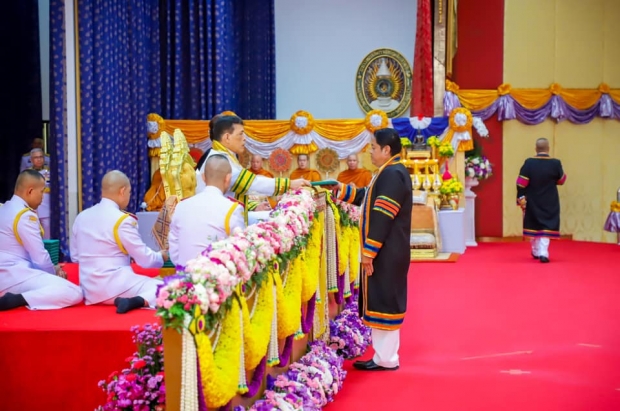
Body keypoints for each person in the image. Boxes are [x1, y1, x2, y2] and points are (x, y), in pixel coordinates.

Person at [334, 128, 412, 371]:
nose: (370, 151)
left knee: (384, 300)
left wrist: (369, 252)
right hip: (388, 249)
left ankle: (387, 358)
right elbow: (368, 198)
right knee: (381, 298)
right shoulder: (390, 171)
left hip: (386, 251)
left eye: (374, 147)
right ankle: (383, 356)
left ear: (386, 149)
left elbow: (382, 216)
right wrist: (341, 189)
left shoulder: (392, 173)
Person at [71, 170, 169, 313]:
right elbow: (145, 260)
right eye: (129, 193)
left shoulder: (81, 217)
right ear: (122, 191)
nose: (129, 196)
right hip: (118, 286)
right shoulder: (122, 220)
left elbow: (75, 257)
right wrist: (162, 256)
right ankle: (136, 301)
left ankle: (132, 301)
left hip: (89, 292)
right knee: (171, 288)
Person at [0, 170, 82, 311]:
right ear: (30, 191)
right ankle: (16, 300)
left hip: (9, 273)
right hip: (14, 275)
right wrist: (54, 275)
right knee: (74, 292)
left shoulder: (5, 208)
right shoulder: (24, 215)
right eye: (42, 191)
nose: (43, 197)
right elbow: (40, 258)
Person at [196, 115, 310, 202]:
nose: (245, 139)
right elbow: (252, 183)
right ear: (227, 137)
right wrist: (289, 184)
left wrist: (255, 206)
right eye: (241, 134)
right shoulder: (218, 159)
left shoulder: (224, 155)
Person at [169, 155, 245, 266]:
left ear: (203, 177)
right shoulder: (232, 208)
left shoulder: (181, 206)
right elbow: (240, 250)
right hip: (218, 278)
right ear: (228, 178)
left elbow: (174, 251)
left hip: (184, 277)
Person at [516, 138, 567, 263]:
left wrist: (521, 197)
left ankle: (536, 250)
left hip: (533, 199)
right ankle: (544, 252)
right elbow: (562, 180)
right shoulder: (556, 163)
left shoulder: (529, 163)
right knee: (546, 225)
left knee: (534, 225)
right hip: (550, 200)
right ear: (548, 149)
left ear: (536, 149)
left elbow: (521, 183)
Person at [29, 148, 51, 239]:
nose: (39, 159)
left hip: (45, 207)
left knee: (47, 232)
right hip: (32, 208)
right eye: (36, 157)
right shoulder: (27, 173)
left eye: (41, 157)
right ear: (31, 160)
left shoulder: (49, 172)